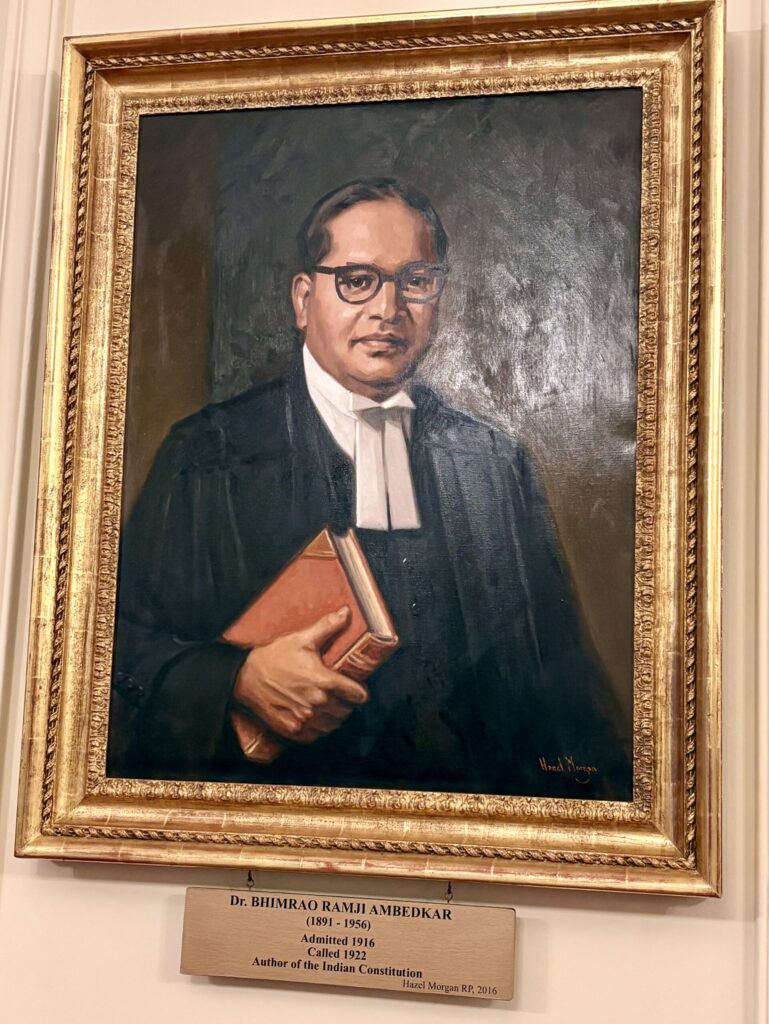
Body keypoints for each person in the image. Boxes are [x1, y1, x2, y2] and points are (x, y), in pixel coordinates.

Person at [108, 177, 632, 800]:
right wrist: (238, 679)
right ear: (304, 299)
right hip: (272, 824)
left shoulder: (493, 463)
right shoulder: (205, 452)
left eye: (415, 281)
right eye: (357, 280)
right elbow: (115, 652)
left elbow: (563, 686)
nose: (389, 309)